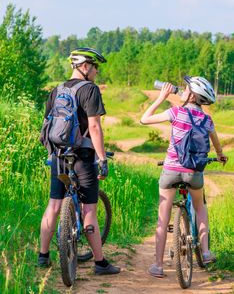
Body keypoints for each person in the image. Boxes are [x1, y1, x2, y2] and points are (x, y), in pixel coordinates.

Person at [38, 47, 120, 275]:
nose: (96, 73)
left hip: (58, 156)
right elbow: (94, 127)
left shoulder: (57, 90)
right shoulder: (90, 90)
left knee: (54, 205)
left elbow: (46, 124)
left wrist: (52, 153)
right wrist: (102, 158)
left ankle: (43, 256)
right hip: (83, 158)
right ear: (85, 66)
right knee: (89, 210)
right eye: (95, 68)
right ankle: (100, 263)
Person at [140, 76, 228, 278]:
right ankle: (205, 252)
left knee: (163, 219)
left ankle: (158, 266)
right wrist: (221, 155)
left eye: (186, 88)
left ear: (190, 94)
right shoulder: (207, 120)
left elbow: (144, 119)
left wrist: (162, 97)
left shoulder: (175, 112)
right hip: (194, 172)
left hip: (170, 170)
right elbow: (216, 144)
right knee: (200, 208)